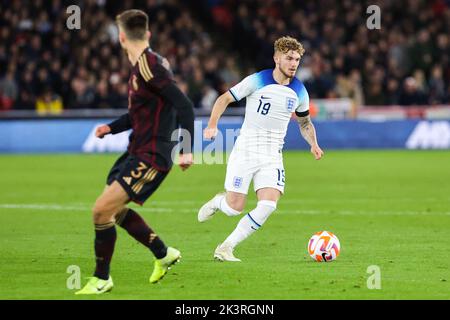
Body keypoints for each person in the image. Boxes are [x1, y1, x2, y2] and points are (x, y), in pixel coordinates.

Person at [76, 9, 195, 294]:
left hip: (152, 154)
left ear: (120, 37)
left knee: (100, 211)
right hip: (135, 151)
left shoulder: (149, 65)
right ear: (148, 34)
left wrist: (187, 150)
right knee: (113, 212)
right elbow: (138, 114)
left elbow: (185, 105)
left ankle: (102, 278)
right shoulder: (145, 65)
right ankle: (163, 253)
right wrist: (111, 127)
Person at [198, 36, 323, 261]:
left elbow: (304, 122)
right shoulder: (257, 80)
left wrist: (313, 143)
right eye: (289, 58)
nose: (294, 63)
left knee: (268, 205)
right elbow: (224, 99)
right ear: (277, 58)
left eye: (296, 59)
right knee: (234, 207)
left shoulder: (300, 91)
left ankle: (226, 247)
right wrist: (212, 125)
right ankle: (219, 201)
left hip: (272, 156)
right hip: (246, 150)